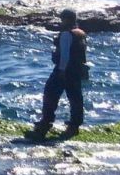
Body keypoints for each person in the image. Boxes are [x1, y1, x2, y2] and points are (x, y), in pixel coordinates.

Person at [27, 9, 88, 140]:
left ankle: (43, 127)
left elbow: (65, 56)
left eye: (62, 19)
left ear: (66, 19)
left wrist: (61, 71)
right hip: (77, 71)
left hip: (63, 71)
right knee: (75, 99)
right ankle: (74, 127)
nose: (61, 22)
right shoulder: (81, 33)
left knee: (50, 96)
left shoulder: (66, 34)